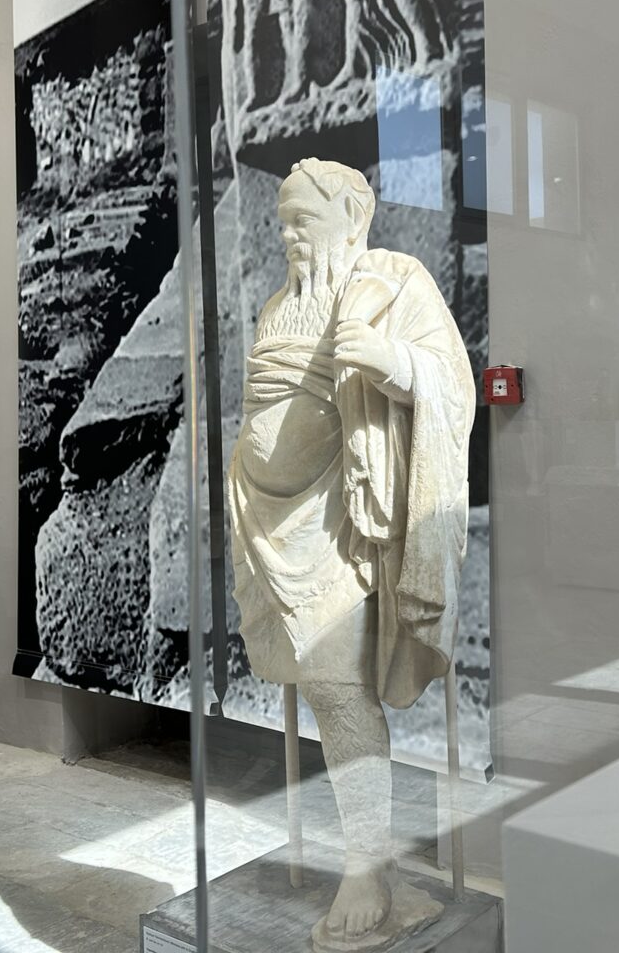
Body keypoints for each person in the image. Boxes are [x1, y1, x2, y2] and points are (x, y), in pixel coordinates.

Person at [228, 158, 475, 947]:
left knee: (339, 691)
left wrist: (391, 362)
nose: (289, 237)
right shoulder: (278, 305)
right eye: (282, 223)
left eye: (303, 220)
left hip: (344, 522)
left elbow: (453, 385)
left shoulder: (395, 284)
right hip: (268, 521)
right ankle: (378, 867)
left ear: (352, 218)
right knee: (321, 690)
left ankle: (368, 868)